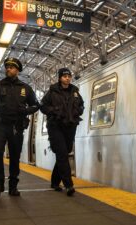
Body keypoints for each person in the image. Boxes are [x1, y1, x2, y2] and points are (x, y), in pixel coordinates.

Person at [0, 57, 40, 197]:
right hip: (1, 125)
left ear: (17, 70)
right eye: (7, 67)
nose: (8, 69)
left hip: (16, 126)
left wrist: (26, 111)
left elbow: (36, 105)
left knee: (14, 156)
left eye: (12, 67)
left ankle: (13, 186)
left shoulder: (25, 88)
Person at [40, 68, 84, 196]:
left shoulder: (75, 92)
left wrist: (78, 111)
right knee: (62, 154)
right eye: (65, 76)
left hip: (70, 126)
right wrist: (53, 111)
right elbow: (43, 106)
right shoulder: (52, 91)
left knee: (65, 152)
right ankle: (68, 185)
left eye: (69, 76)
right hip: (56, 126)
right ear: (60, 78)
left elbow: (81, 105)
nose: (67, 78)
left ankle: (54, 182)